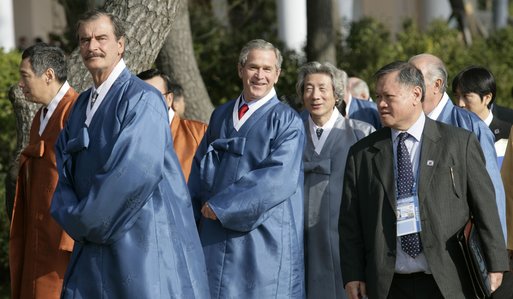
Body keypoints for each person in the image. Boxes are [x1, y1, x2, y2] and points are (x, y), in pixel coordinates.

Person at [49, 10, 209, 298]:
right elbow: (63, 165)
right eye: (84, 40)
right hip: (89, 234)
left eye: (101, 38)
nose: (92, 46)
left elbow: (134, 172)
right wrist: (71, 214)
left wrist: (84, 220)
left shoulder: (142, 98)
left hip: (137, 233)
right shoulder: (82, 102)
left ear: (120, 44)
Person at [339, 61, 508, 299]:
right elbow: (350, 222)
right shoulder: (362, 153)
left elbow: (485, 207)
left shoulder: (459, 142)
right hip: (388, 284)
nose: (381, 104)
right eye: (378, 97)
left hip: (449, 280)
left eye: (388, 96)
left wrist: (495, 262)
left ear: (416, 94)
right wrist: (353, 274)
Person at [188, 39, 306, 298]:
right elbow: (200, 164)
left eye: (267, 69)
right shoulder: (221, 114)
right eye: (253, 67)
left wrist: (223, 207)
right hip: (214, 230)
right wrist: (193, 209)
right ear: (241, 69)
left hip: (262, 234)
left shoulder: (287, 121)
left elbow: (277, 178)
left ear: (277, 74)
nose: (260, 75)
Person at [409, 53, 507, 243]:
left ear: (436, 85)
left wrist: (496, 256)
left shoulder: (470, 125)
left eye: (414, 78)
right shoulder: (404, 126)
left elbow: (491, 194)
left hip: (457, 250)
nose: (407, 84)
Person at [298, 62, 374, 299]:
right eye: (308, 88)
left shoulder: (362, 134)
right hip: (299, 240)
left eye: (323, 88)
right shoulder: (290, 133)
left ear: (337, 94)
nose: (316, 96)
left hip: (346, 243)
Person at [9, 43, 78, 299]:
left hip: (62, 236)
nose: (20, 84)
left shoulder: (75, 110)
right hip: (37, 231)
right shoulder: (40, 117)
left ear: (48, 75)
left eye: (25, 76)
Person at [137, 69, 207, 181]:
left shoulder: (199, 133)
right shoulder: (128, 136)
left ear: (169, 99)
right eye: (142, 96)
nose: (148, 102)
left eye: (155, 95)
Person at [452, 66, 511, 143]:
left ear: (487, 98)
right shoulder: (450, 131)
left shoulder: (508, 134)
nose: (460, 104)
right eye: (457, 96)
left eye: (466, 96)